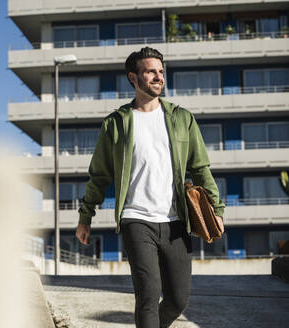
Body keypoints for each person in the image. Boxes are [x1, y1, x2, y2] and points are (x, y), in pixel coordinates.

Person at [75, 47, 225, 328]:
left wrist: (217, 208)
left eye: (160, 71)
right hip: (136, 219)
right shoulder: (116, 123)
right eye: (150, 71)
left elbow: (201, 167)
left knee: (178, 300)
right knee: (147, 294)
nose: (158, 77)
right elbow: (99, 175)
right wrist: (86, 216)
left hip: (176, 220)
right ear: (133, 77)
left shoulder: (182, 118)